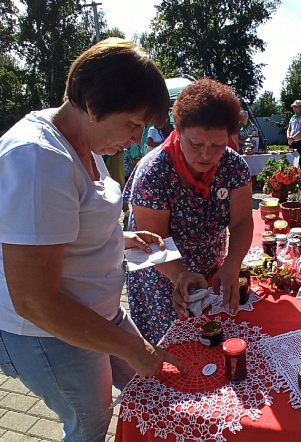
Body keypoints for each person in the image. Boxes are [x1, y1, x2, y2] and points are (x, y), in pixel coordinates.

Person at [0, 38, 186, 442]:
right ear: (93, 104)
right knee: (90, 425)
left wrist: (122, 238)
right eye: (134, 123)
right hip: (48, 333)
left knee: (156, 388)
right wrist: (132, 349)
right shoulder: (37, 159)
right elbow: (35, 299)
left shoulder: (86, 144)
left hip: (94, 316)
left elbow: (66, 228)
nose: (138, 138)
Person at [123, 78, 254, 344]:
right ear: (178, 131)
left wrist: (231, 264)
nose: (206, 154)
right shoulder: (154, 172)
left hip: (212, 269)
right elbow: (153, 241)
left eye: (217, 145)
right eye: (196, 144)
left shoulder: (234, 166)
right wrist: (181, 275)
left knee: (214, 344)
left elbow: (241, 222)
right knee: (173, 350)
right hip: (163, 276)